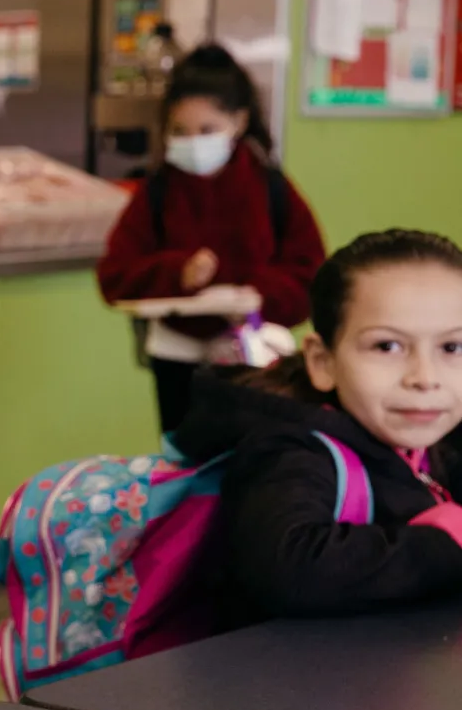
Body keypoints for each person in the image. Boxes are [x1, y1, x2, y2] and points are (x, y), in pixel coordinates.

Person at [171, 229, 462, 627]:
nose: (425, 378)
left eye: (453, 348)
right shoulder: (291, 449)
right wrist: (445, 543)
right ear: (323, 362)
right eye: (387, 347)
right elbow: (288, 569)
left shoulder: (432, 439)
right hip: (283, 684)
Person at [97, 44, 326, 433]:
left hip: (256, 357)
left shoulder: (271, 187)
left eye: (206, 130)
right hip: (177, 358)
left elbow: (313, 275)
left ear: (238, 121)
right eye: (180, 132)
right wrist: (176, 273)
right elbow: (114, 276)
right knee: (186, 468)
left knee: (257, 467)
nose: (193, 143)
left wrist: (257, 296)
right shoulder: (157, 192)